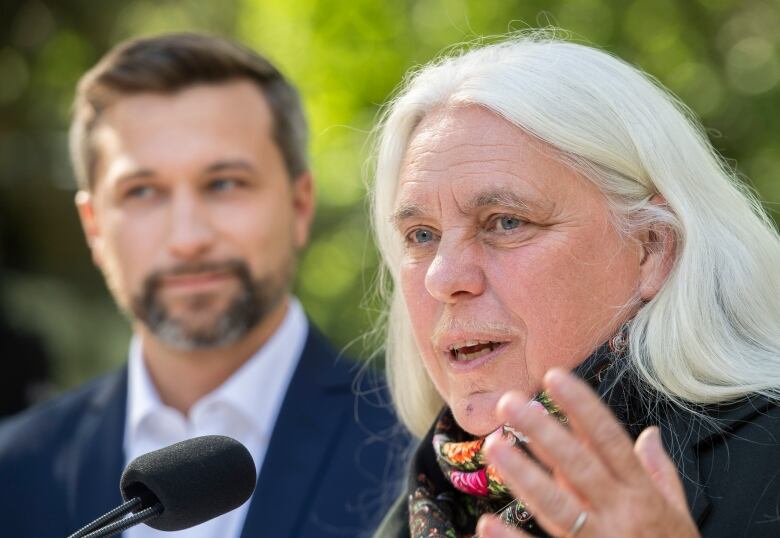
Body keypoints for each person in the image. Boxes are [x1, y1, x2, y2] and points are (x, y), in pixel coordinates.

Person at [369, 33, 780, 538]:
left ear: (652, 247)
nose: (443, 278)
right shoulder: (422, 509)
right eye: (422, 235)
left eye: (506, 222)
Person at [0, 33, 403, 538]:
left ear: (300, 205)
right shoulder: (12, 473)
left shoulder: (415, 451)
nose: (188, 238)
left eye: (225, 183)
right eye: (142, 191)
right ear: (94, 227)